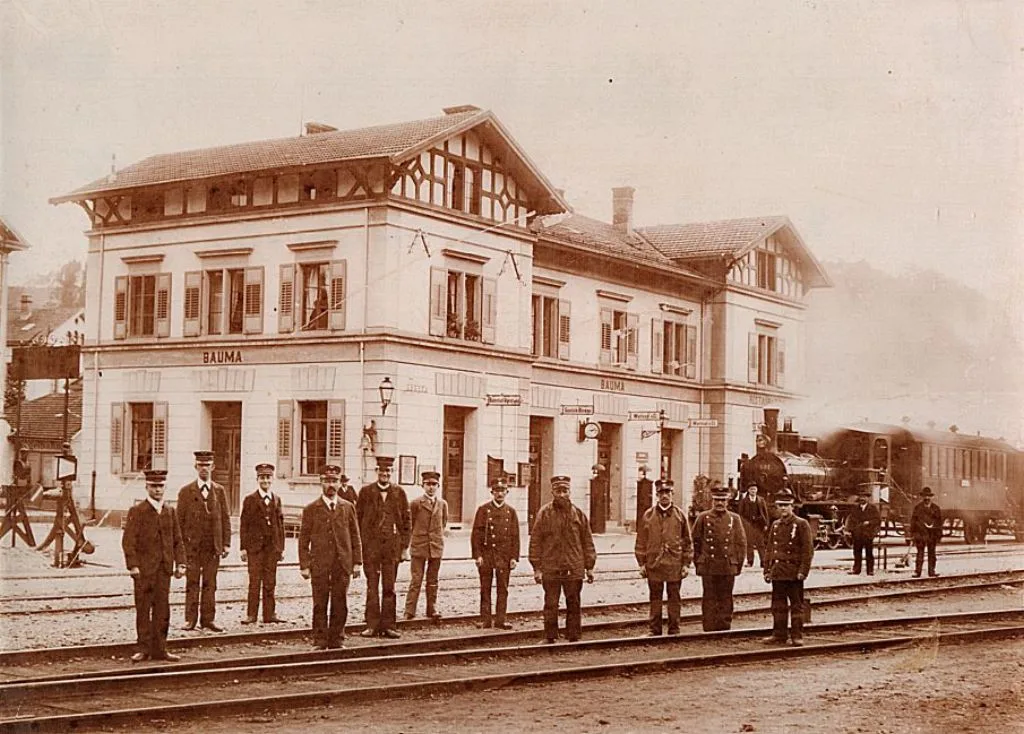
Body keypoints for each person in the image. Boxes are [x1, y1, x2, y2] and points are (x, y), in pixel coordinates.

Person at [122, 469, 186, 662]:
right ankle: (143, 648)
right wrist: (132, 565)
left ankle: (160, 649)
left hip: (164, 569)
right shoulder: (137, 511)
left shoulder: (169, 511)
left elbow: (177, 540)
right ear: (147, 487)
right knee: (143, 609)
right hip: (143, 571)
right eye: (154, 486)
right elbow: (128, 541)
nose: (158, 490)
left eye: (161, 486)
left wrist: (181, 563)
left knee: (162, 609)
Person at [298, 464, 362, 649]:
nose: (331, 485)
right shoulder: (311, 509)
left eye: (334, 481)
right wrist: (304, 564)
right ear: (321, 482)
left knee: (340, 602)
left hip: (342, 563)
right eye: (327, 481)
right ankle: (319, 640)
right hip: (320, 564)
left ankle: (337, 639)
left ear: (339, 482)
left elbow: (355, 535)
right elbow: (303, 539)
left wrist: (357, 562)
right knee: (320, 602)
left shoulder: (348, 507)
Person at [528, 475, 596, 644]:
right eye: (558, 491)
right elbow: (535, 541)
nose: (561, 494)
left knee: (573, 602)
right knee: (551, 603)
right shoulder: (544, 514)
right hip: (551, 568)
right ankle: (550, 636)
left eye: (565, 491)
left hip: (573, 567)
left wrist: (590, 567)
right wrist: (537, 567)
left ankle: (573, 636)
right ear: (552, 492)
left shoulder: (579, 514)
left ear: (569, 492)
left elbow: (587, 541)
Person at [356, 456, 410, 638]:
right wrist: (360, 548)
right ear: (377, 472)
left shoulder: (399, 493)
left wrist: (404, 547)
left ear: (391, 472)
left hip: (391, 549)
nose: (384, 474)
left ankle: (389, 625)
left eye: (388, 471)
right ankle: (371, 625)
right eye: (381, 471)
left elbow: (406, 522)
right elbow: (357, 520)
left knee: (390, 587)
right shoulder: (365, 492)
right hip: (371, 548)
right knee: (372, 586)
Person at [177, 450, 231, 632]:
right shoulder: (186, 491)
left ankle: (208, 619)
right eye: (201, 465)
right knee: (192, 583)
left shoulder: (219, 491)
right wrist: (181, 548)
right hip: (192, 547)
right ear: (195, 467)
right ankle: (190, 620)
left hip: (212, 547)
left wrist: (225, 543)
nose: (204, 469)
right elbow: (179, 522)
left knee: (210, 583)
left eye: (207, 465)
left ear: (213, 467)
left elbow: (225, 518)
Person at [634, 479, 693, 636]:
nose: (664, 496)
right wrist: (641, 563)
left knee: (674, 598)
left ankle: (674, 629)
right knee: (655, 598)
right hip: (654, 564)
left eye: (668, 493)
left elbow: (688, 541)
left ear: (672, 494)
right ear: (657, 496)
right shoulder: (647, 515)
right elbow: (641, 542)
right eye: (661, 493)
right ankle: (655, 630)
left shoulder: (680, 516)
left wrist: (686, 564)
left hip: (674, 564)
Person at [763, 488, 814, 646]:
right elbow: (770, 549)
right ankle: (779, 634)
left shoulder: (801, 524)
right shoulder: (775, 525)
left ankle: (797, 635)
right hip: (778, 572)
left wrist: (803, 571)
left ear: (792, 506)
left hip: (793, 573)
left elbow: (808, 550)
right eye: (780, 505)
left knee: (796, 606)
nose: (783, 508)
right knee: (778, 605)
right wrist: (767, 569)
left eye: (786, 505)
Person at [691, 484, 746, 631]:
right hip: (709, 564)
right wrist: (698, 562)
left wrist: (737, 565)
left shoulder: (734, 519)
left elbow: (741, 544)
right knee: (709, 597)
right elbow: (695, 541)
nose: (720, 503)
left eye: (723, 500)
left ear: (727, 501)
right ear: (712, 501)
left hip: (727, 565)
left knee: (726, 596)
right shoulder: (703, 518)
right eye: (717, 500)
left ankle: (724, 625)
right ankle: (708, 627)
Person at [471, 477, 521, 630]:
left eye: (503, 490)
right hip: (487, 555)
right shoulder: (483, 510)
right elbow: (476, 535)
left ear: (507, 492)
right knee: (485, 588)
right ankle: (485, 619)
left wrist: (514, 557)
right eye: (497, 491)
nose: (500, 494)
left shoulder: (510, 512)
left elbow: (515, 536)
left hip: (504, 556)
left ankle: (501, 620)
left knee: (503, 589)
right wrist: (477, 555)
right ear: (492, 492)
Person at [239, 463, 287, 624]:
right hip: (255, 549)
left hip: (271, 549)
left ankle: (269, 615)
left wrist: (281, 548)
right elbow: (244, 524)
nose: (265, 480)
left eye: (267, 477)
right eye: (262, 478)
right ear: (257, 479)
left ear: (272, 479)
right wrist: (243, 548)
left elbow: (280, 526)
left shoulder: (277, 499)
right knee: (254, 582)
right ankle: (251, 615)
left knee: (270, 582)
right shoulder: (250, 499)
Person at [404, 470, 448, 620]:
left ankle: (432, 608)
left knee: (433, 580)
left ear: (438, 486)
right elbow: (410, 524)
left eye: (434, 484)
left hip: (435, 546)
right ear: (423, 485)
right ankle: (410, 610)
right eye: (428, 484)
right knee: (416, 579)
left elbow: (443, 523)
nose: (431, 487)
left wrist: (437, 538)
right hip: (419, 545)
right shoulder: (415, 503)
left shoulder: (442, 504)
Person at [846, 490, 882, 576]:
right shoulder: (855, 508)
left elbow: (877, 520)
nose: (862, 499)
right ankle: (856, 569)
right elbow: (851, 520)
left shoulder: (873, 508)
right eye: (861, 497)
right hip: (857, 534)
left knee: (869, 553)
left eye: (864, 497)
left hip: (867, 534)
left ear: (868, 498)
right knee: (857, 553)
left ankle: (870, 570)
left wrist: (869, 523)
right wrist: (850, 531)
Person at [910, 486, 942, 578]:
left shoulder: (936, 508)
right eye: (925, 496)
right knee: (920, 554)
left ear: (931, 497)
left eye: (928, 496)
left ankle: (931, 571)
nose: (927, 498)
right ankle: (917, 572)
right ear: (922, 497)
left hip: (932, 535)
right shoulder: (917, 508)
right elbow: (913, 521)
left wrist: (939, 535)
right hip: (921, 534)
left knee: (932, 554)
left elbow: (939, 522)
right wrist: (912, 534)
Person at [736, 483, 770, 568]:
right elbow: (740, 514)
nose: (753, 491)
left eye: (754, 489)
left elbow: (765, 513)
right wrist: (743, 524)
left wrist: (766, 524)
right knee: (749, 543)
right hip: (748, 524)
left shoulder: (761, 500)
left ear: (757, 490)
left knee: (760, 544)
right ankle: (750, 561)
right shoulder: (744, 501)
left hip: (759, 524)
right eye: (751, 489)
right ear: (748, 490)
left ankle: (763, 561)